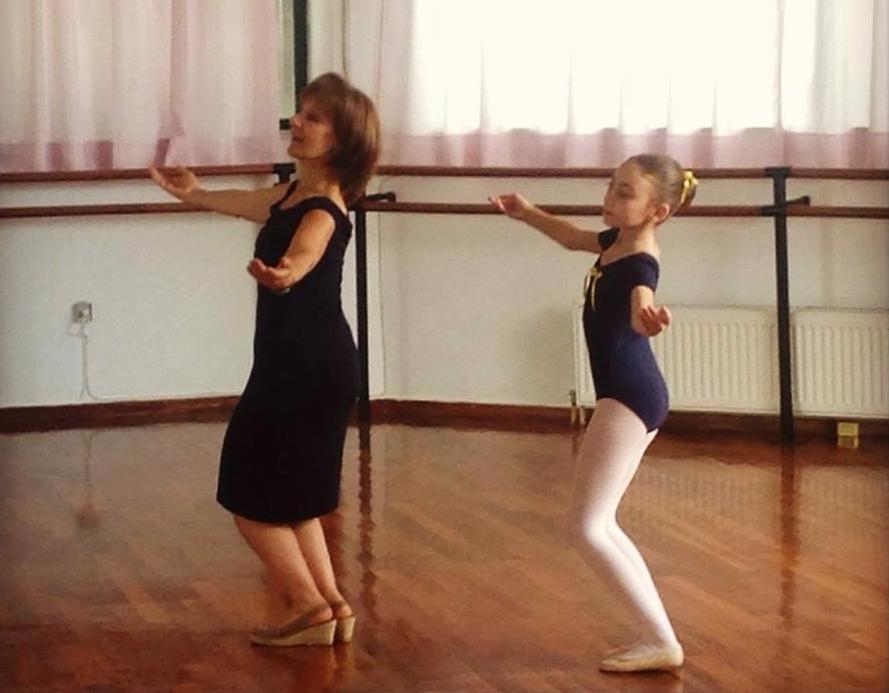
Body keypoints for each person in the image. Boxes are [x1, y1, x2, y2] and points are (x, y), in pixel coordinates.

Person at [149, 72, 380, 647]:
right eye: (300, 110)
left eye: (314, 117)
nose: (297, 121)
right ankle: (330, 606)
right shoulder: (290, 195)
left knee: (247, 492)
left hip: (303, 369)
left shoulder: (323, 208)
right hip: (308, 364)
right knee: (297, 496)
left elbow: (306, 251)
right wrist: (193, 193)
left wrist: (286, 275)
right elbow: (245, 204)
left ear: (341, 139)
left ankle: (306, 605)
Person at [490, 154, 697, 673]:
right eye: (611, 185)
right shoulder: (615, 242)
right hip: (629, 394)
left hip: (628, 396)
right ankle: (658, 636)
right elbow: (571, 237)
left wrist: (646, 320)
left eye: (625, 192)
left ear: (658, 212)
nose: (610, 197)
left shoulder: (640, 262)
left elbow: (641, 302)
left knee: (586, 527)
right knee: (600, 523)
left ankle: (660, 640)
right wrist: (527, 212)